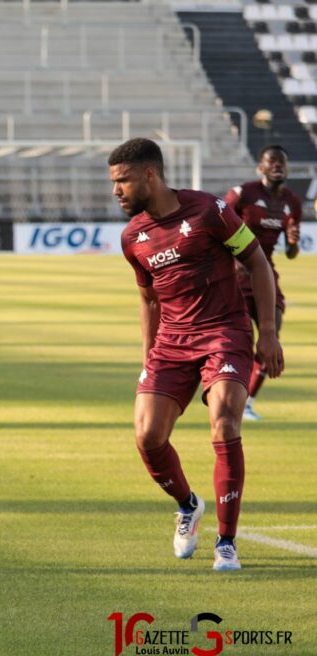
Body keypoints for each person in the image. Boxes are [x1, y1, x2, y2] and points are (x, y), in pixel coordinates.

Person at [110, 138, 283, 571]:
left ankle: (226, 542)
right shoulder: (133, 237)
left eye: (123, 181)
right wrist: (149, 358)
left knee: (225, 418)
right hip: (171, 343)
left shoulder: (211, 210)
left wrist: (269, 335)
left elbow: (258, 263)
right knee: (148, 436)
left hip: (224, 332)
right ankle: (188, 505)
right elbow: (149, 300)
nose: (116, 191)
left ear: (149, 175)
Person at [223, 145, 301, 421]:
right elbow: (214, 228)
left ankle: (247, 402)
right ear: (261, 167)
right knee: (239, 342)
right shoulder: (242, 194)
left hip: (266, 275)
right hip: (236, 278)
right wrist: (231, 260)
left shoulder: (292, 202)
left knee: (271, 339)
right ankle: (227, 395)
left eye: (283, 162)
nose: (278, 165)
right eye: (272, 161)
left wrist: (292, 243)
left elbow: (291, 254)